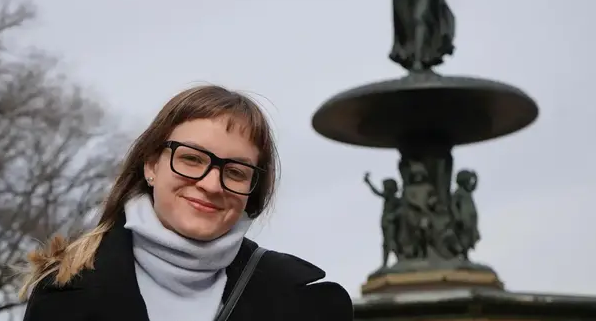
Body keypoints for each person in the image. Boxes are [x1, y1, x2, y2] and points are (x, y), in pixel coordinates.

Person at [20, 85, 353, 321]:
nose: (211, 185)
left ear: (252, 190)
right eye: (192, 159)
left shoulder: (305, 303)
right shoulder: (61, 290)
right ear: (151, 165)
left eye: (235, 172)